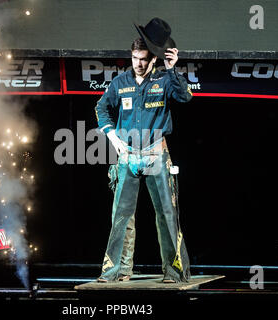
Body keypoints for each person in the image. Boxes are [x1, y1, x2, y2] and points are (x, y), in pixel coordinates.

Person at [95, 17, 193, 283]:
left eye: (143, 59)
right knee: (121, 217)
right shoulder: (120, 82)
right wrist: (112, 137)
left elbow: (185, 97)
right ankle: (116, 271)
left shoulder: (163, 80)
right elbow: (101, 108)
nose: (138, 63)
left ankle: (174, 272)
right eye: (135, 58)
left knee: (166, 215)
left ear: (153, 60)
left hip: (156, 155)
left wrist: (173, 70)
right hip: (127, 157)